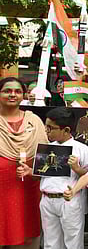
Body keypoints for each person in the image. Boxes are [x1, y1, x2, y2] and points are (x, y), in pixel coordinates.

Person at [17, 107, 88, 249]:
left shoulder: (81, 148)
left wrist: (77, 168)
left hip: (69, 200)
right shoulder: (46, 148)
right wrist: (30, 171)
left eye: (51, 128)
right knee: (50, 242)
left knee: (72, 242)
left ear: (66, 130)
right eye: (46, 127)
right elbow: (41, 174)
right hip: (47, 198)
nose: (47, 131)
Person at [0, 77, 47, 249]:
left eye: (17, 91)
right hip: (1, 190)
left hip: (28, 188)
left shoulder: (34, 122)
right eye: (7, 91)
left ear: (24, 95)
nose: (12, 95)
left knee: (26, 233)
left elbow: (45, 159)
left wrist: (33, 172)